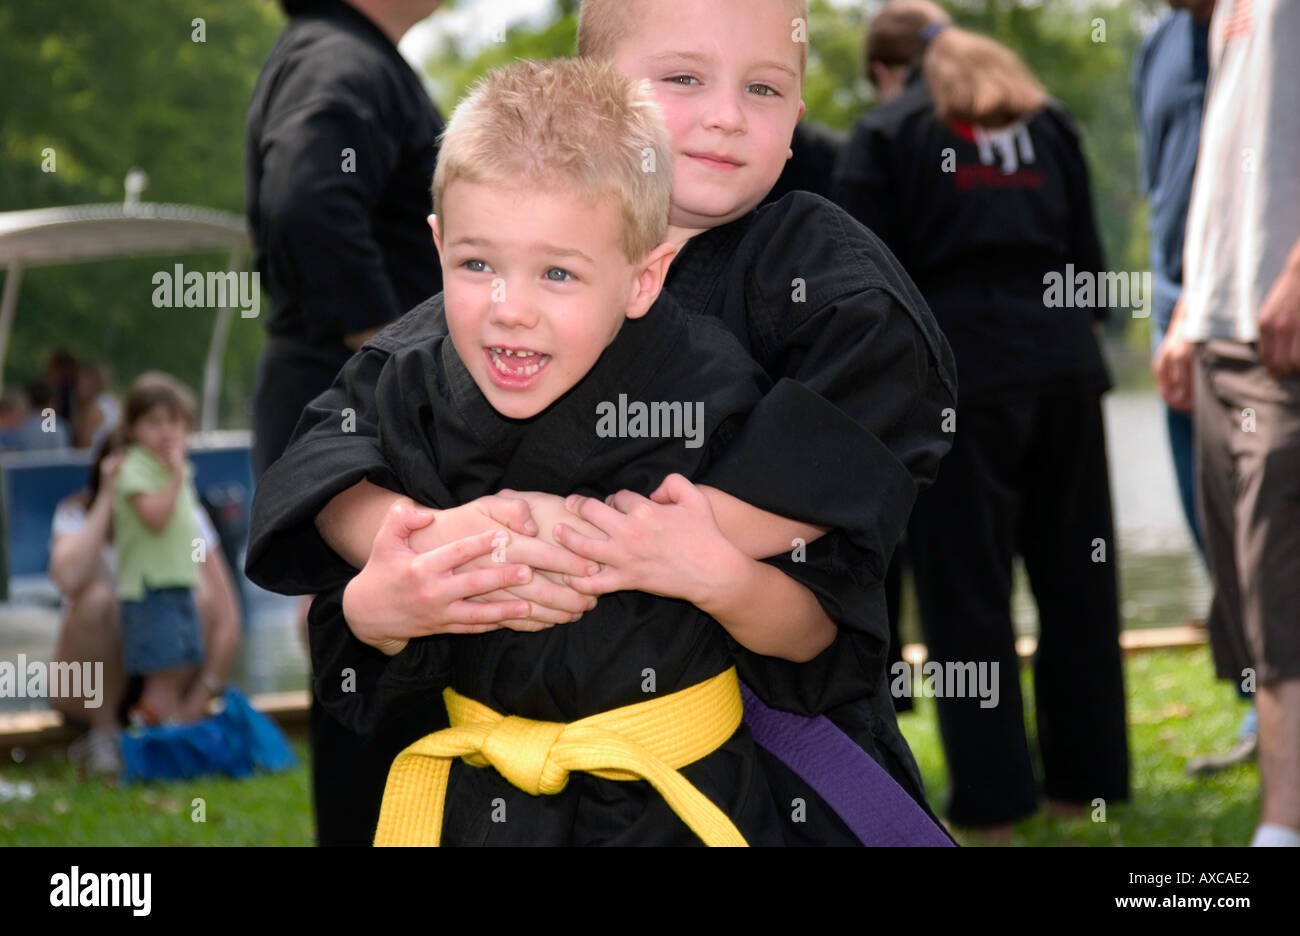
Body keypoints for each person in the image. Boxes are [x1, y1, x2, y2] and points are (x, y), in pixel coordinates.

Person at [248, 0, 957, 845]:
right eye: (684, 78)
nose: (727, 115)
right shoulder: (490, 297)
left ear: (799, 118)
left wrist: (610, 543)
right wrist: (434, 539)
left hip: (755, 760)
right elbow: (335, 446)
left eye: (765, 90)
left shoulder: (813, 265)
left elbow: (865, 433)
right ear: (595, 96)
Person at [833, 0, 1129, 834]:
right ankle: (1085, 789)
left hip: (958, 379)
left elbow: (866, 285)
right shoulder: (1048, 119)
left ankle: (995, 807)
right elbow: (1090, 262)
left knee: (969, 594)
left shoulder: (888, 131)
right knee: (1079, 579)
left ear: (886, 71)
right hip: (1065, 367)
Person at [245, 0, 447, 845]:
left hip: (350, 396)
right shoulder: (341, 56)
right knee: (383, 671)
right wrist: (400, 352)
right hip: (357, 410)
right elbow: (305, 199)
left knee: (396, 662)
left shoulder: (350, 55)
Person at [1154, 0, 1300, 847]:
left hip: (1282, 321)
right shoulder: (1218, 15)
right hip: (1222, 320)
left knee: (1283, 582)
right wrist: (1190, 307)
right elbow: (1232, 148)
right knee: (1246, 594)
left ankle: (1280, 830)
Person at [49, 431, 241, 775]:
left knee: (197, 598)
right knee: (96, 601)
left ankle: (169, 722)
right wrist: (110, 496)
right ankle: (104, 734)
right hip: (88, 684)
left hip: (166, 674)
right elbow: (68, 579)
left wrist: (199, 699)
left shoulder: (185, 515)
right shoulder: (77, 514)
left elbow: (227, 619)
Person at [112, 373, 209, 725]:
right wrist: (177, 476)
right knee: (161, 674)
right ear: (132, 428)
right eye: (153, 423)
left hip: (176, 583)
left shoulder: (174, 470)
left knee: (178, 666)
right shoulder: (136, 466)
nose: (166, 432)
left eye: (175, 422)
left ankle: (166, 736)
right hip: (151, 587)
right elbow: (155, 517)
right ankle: (153, 745)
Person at [72, 360, 120, 451]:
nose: (77, 387)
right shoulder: (111, 402)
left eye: (82, 382)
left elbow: (83, 446)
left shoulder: (93, 409)